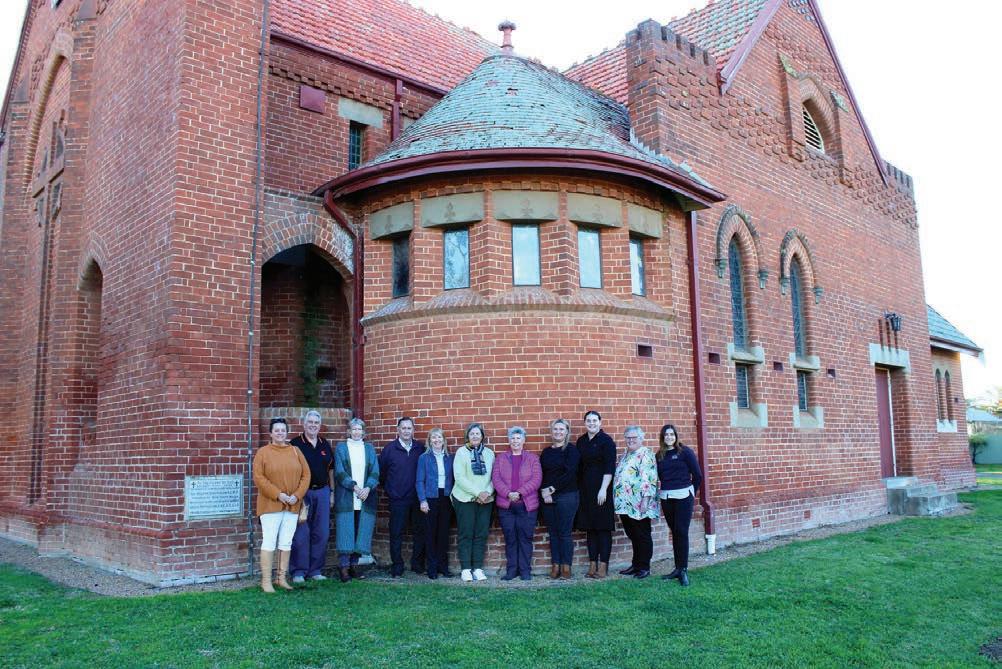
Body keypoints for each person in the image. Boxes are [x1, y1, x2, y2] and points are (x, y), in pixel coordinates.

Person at [252, 417, 310, 593]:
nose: (280, 433)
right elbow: (259, 478)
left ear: (287, 432)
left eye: (283, 430)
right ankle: (266, 581)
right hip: (270, 505)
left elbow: (306, 475)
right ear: (270, 433)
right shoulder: (263, 452)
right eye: (276, 430)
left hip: (292, 505)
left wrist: (297, 495)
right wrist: (279, 494)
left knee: (286, 542)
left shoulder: (295, 451)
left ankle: (281, 578)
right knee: (269, 541)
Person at [289, 410, 334, 583]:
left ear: (319, 425)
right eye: (310, 422)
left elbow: (331, 470)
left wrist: (331, 492)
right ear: (304, 424)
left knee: (321, 532)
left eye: (316, 422)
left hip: (322, 493)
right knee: (301, 533)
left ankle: (315, 570)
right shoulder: (295, 444)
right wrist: (295, 494)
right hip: (303, 494)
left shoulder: (324, 444)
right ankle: (299, 571)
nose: (313, 425)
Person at [492, 426, 542, 581]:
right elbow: (496, 479)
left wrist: (520, 493)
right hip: (506, 506)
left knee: (525, 538)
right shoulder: (501, 458)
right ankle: (512, 570)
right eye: (512, 438)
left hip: (527, 506)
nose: (515, 441)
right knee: (510, 539)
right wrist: (508, 493)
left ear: (523, 440)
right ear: (509, 440)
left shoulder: (532, 459)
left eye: (518, 438)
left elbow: (536, 479)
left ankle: (525, 571)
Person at [333, 417, 379, 582]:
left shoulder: (369, 449)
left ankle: (354, 565)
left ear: (363, 432)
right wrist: (355, 487)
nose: (357, 432)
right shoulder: (341, 448)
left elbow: (375, 471)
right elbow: (339, 472)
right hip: (347, 497)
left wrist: (367, 488)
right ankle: (344, 567)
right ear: (349, 431)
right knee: (346, 532)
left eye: (360, 429)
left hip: (365, 497)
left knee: (361, 531)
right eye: (354, 429)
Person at [379, 416, 426, 577]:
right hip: (398, 499)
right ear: (398, 430)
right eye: (403, 428)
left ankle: (417, 564)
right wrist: (392, 491)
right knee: (396, 533)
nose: (406, 431)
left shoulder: (420, 448)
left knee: (419, 532)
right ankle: (397, 566)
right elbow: (382, 474)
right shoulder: (389, 449)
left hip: (417, 498)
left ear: (413, 430)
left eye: (409, 428)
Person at [657, 423, 702, 587]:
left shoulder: (685, 452)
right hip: (667, 497)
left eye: (671, 434)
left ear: (676, 436)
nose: (669, 437)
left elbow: (697, 475)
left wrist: (691, 493)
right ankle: (677, 568)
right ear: (662, 438)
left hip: (684, 497)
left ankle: (683, 570)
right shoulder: (659, 455)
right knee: (675, 532)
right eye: (666, 435)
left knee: (682, 532)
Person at [613, 425, 660, 579]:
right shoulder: (626, 454)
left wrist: (645, 500)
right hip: (625, 504)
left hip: (639, 503)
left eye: (634, 437)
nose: (630, 440)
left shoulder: (646, 454)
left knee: (642, 535)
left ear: (641, 438)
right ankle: (636, 564)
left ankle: (644, 566)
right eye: (628, 437)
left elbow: (649, 478)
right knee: (633, 534)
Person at [452, 422, 495, 582]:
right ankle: (465, 569)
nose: (475, 436)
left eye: (478, 433)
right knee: (466, 533)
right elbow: (459, 477)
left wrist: (487, 493)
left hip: (486, 499)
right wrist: (478, 493)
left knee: (481, 533)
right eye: (472, 434)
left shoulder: (489, 453)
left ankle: (477, 568)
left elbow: (494, 476)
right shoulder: (461, 452)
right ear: (467, 436)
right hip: (465, 498)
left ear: (482, 436)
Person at [575, 410, 616, 579]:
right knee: (590, 528)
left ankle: (603, 566)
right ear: (585, 423)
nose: (591, 423)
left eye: (594, 420)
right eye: (588, 421)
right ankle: (592, 564)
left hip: (602, 490)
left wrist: (603, 489)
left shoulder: (607, 441)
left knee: (603, 528)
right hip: (585, 490)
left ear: (600, 422)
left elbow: (609, 467)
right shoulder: (581, 441)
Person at [539, 418, 580, 579]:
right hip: (548, 497)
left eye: (561, 429)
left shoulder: (571, 450)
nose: (558, 432)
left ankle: (566, 567)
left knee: (564, 533)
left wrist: (551, 489)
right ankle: (555, 565)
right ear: (552, 432)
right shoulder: (546, 452)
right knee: (553, 533)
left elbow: (569, 474)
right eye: (555, 429)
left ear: (567, 432)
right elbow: (543, 474)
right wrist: (545, 492)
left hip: (567, 495)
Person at [416, 428, 455, 579]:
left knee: (443, 534)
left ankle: (443, 567)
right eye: (434, 438)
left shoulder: (449, 458)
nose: (437, 440)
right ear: (429, 441)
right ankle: (432, 568)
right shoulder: (424, 458)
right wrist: (422, 500)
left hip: (446, 498)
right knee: (430, 534)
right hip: (430, 498)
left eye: (439, 437)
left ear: (444, 440)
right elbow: (419, 481)